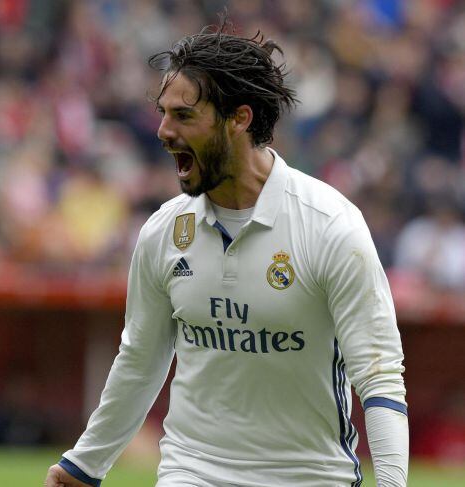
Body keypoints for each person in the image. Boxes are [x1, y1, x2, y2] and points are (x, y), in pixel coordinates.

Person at [46, 21, 408, 487]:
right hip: (191, 472)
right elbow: (140, 360)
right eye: (162, 113)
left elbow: (379, 378)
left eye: (183, 115)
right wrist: (85, 465)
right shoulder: (162, 231)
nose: (162, 131)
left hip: (311, 476)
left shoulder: (330, 226)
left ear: (239, 118)